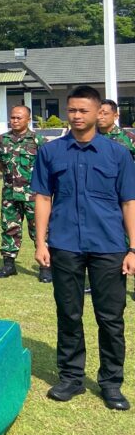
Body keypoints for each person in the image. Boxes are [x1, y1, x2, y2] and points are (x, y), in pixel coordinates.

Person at [32, 85, 135, 410]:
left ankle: (111, 384)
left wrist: (133, 249)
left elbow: (129, 202)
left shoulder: (118, 154)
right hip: (64, 244)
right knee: (69, 313)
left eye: (83, 110)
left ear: (98, 112)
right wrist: (40, 242)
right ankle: (71, 378)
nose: (76, 116)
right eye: (72, 110)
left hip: (109, 246)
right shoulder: (51, 152)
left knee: (111, 318)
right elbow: (42, 197)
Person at [0, 105, 47, 281]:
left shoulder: (38, 141)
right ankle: (9, 265)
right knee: (9, 228)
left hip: (34, 196)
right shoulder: (1, 140)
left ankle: (45, 267)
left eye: (19, 118)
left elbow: (47, 166)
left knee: (40, 230)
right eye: (12, 117)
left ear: (28, 120)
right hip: (10, 194)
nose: (14, 121)